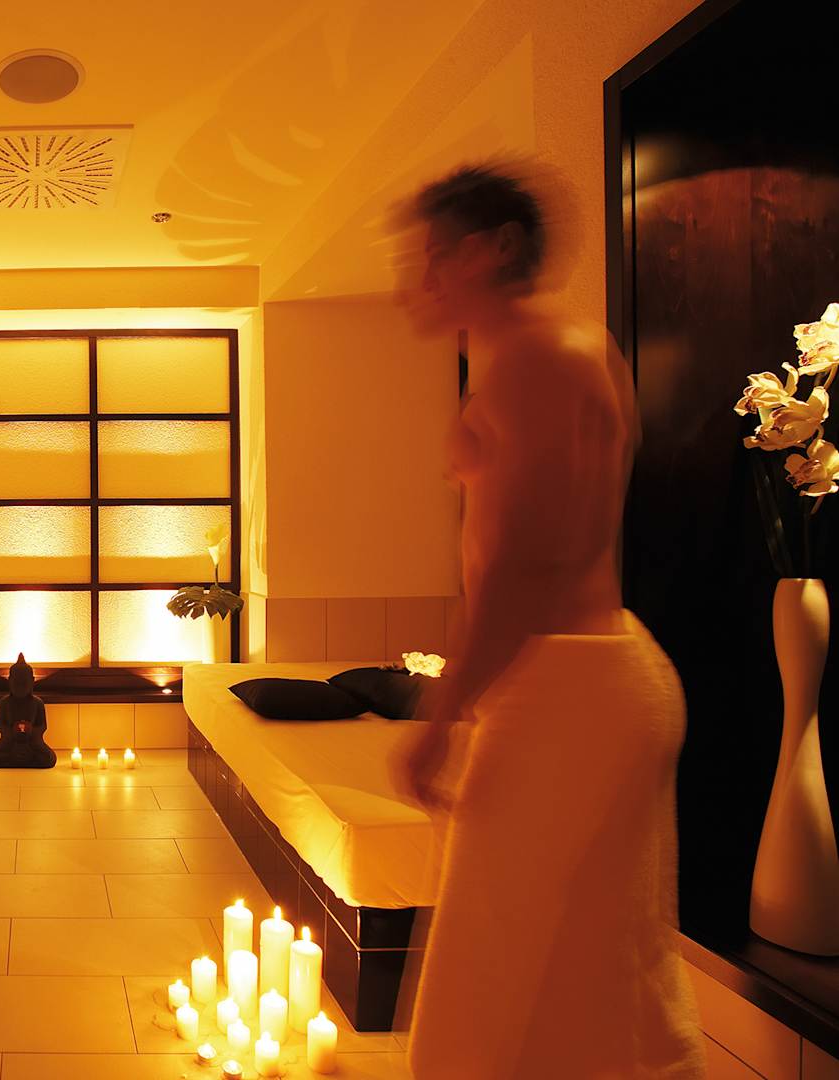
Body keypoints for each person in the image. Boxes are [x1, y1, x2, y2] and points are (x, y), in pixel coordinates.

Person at [391, 163, 704, 1078]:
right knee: (577, 975)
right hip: (576, 680)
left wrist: (441, 716)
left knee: (492, 987)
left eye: (439, 253)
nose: (418, 274)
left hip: (572, 688)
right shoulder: (533, 359)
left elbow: (529, 565)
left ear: (499, 248)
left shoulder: (542, 356)